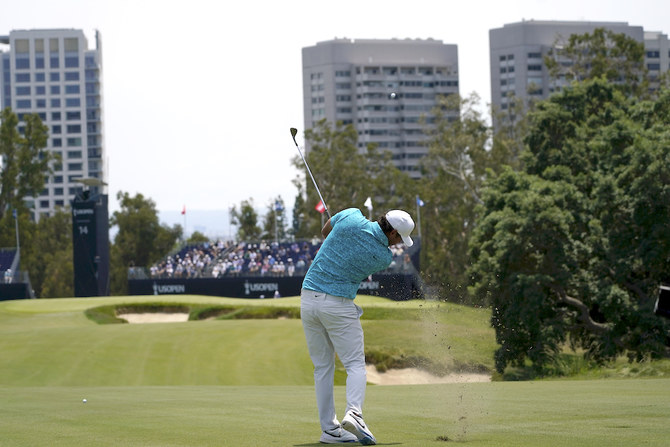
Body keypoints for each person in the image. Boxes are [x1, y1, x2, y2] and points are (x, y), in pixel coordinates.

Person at [300, 208, 415, 445]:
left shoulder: (352, 215)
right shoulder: (383, 257)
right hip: (337, 304)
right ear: (392, 231)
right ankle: (354, 412)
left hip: (308, 298)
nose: (396, 245)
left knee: (322, 367)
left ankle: (329, 431)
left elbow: (325, 232)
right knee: (354, 364)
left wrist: (342, 228)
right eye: (398, 239)